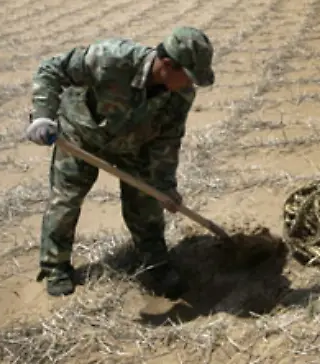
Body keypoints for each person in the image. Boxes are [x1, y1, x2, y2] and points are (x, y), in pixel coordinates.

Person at [25, 26, 215, 298]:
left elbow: (167, 141)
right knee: (65, 201)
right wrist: (43, 115)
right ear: (168, 65)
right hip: (81, 135)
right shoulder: (111, 58)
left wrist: (164, 186)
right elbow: (51, 69)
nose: (190, 84)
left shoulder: (180, 95)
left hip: (133, 146)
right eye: (187, 77)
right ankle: (55, 267)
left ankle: (156, 264)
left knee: (145, 204)